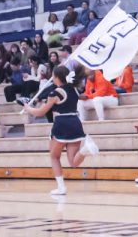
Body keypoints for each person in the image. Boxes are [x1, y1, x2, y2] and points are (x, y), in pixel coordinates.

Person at [23, 65, 99, 195]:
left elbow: (41, 112)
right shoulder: (74, 90)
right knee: (73, 162)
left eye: (53, 75)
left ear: (57, 77)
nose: (52, 78)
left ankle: (61, 187)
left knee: (54, 156)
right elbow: (82, 96)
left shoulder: (56, 93)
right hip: (75, 123)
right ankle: (86, 149)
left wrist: (27, 108)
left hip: (62, 124)